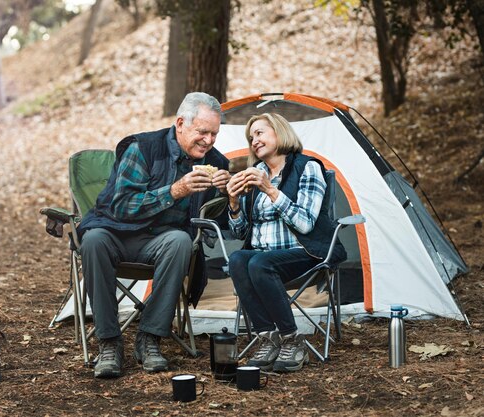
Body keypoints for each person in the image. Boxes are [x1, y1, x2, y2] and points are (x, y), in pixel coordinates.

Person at [77, 92, 231, 378]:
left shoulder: (216, 162)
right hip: (116, 233)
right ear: (181, 123)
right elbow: (121, 206)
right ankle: (109, 343)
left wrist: (226, 194)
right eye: (202, 132)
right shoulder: (144, 148)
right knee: (93, 240)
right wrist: (176, 190)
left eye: (214, 134)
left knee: (181, 241)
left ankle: (149, 338)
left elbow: (216, 224)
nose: (208, 141)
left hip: (161, 242)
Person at [225, 113, 346, 373]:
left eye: (259, 133)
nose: (254, 140)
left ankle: (292, 339)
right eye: (250, 137)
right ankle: (268, 337)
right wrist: (234, 204)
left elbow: (305, 223)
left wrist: (271, 190)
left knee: (258, 263)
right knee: (237, 259)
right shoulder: (255, 173)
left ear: (280, 133)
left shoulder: (307, 168)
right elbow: (240, 233)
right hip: (264, 257)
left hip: (306, 252)